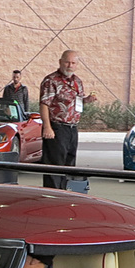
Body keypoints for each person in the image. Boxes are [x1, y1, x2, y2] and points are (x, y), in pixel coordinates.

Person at [39, 49, 96, 189]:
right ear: (60, 62)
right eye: (67, 62)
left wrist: (87, 100)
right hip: (56, 128)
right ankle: (53, 195)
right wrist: (47, 127)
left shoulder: (77, 81)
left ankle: (67, 194)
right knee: (54, 166)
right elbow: (44, 104)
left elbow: (77, 102)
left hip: (72, 128)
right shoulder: (51, 80)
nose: (70, 65)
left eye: (73, 63)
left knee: (69, 165)